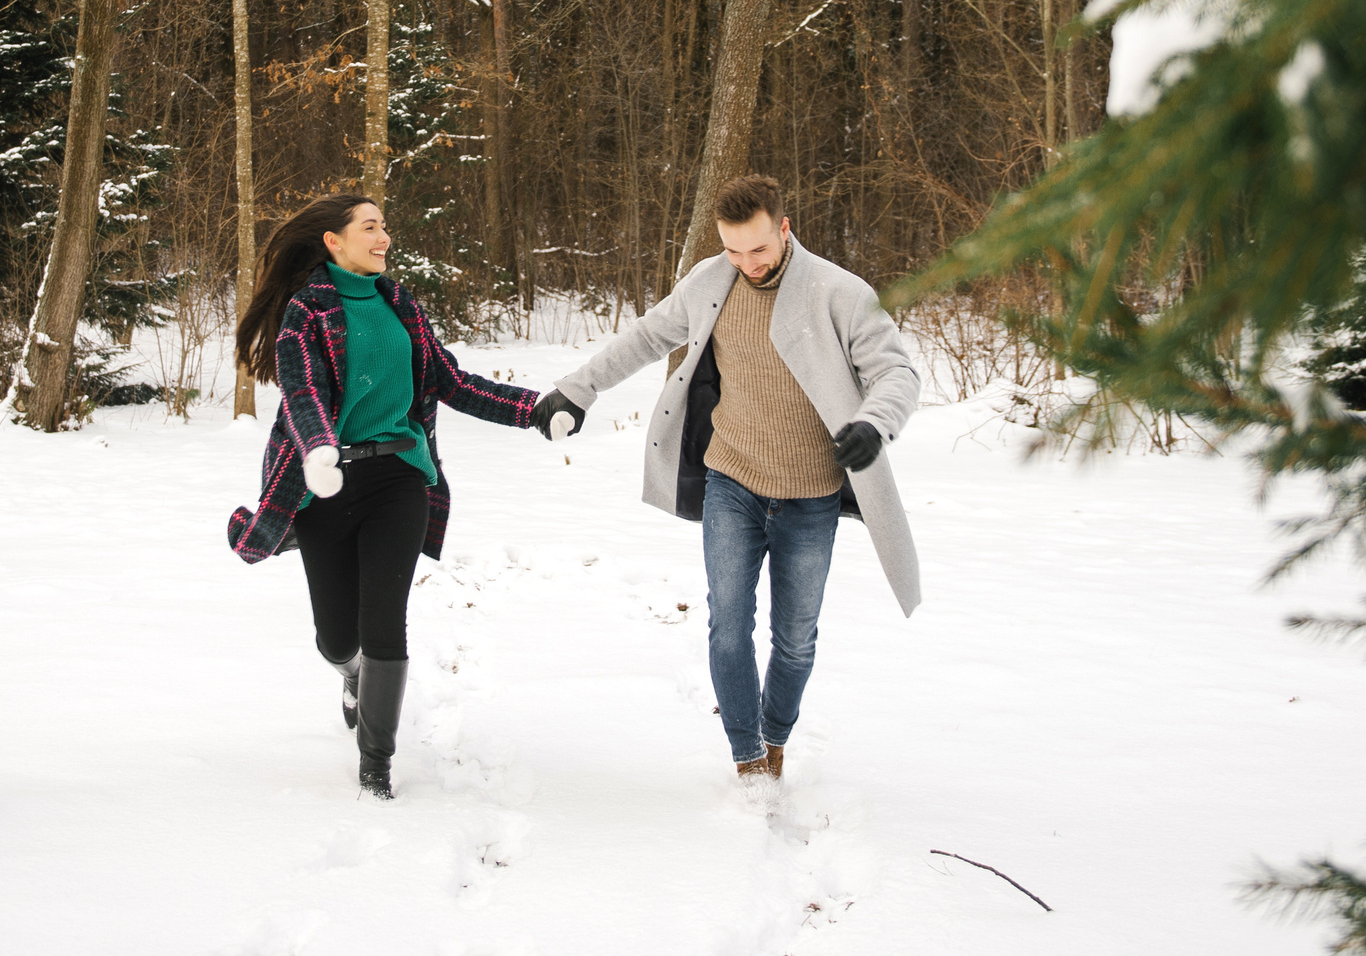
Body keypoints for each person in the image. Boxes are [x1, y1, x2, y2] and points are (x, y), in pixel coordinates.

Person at [527, 173, 921, 782]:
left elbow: (896, 372)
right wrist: (576, 391)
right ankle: (747, 757)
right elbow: (646, 337)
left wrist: (874, 422)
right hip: (731, 481)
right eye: (733, 250)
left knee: (794, 638)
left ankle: (777, 733)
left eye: (758, 249)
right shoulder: (712, 281)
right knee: (728, 624)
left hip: (810, 493)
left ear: (785, 228)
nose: (746, 263)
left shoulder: (839, 292)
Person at [229, 192, 554, 799]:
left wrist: (533, 409)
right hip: (326, 481)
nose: (384, 238)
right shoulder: (306, 311)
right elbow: (302, 395)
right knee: (336, 636)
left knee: (384, 620)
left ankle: (374, 764)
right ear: (334, 240)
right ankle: (351, 675)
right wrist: (320, 451)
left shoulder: (400, 304)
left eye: (385, 227)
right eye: (371, 227)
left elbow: (450, 381)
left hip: (400, 477)